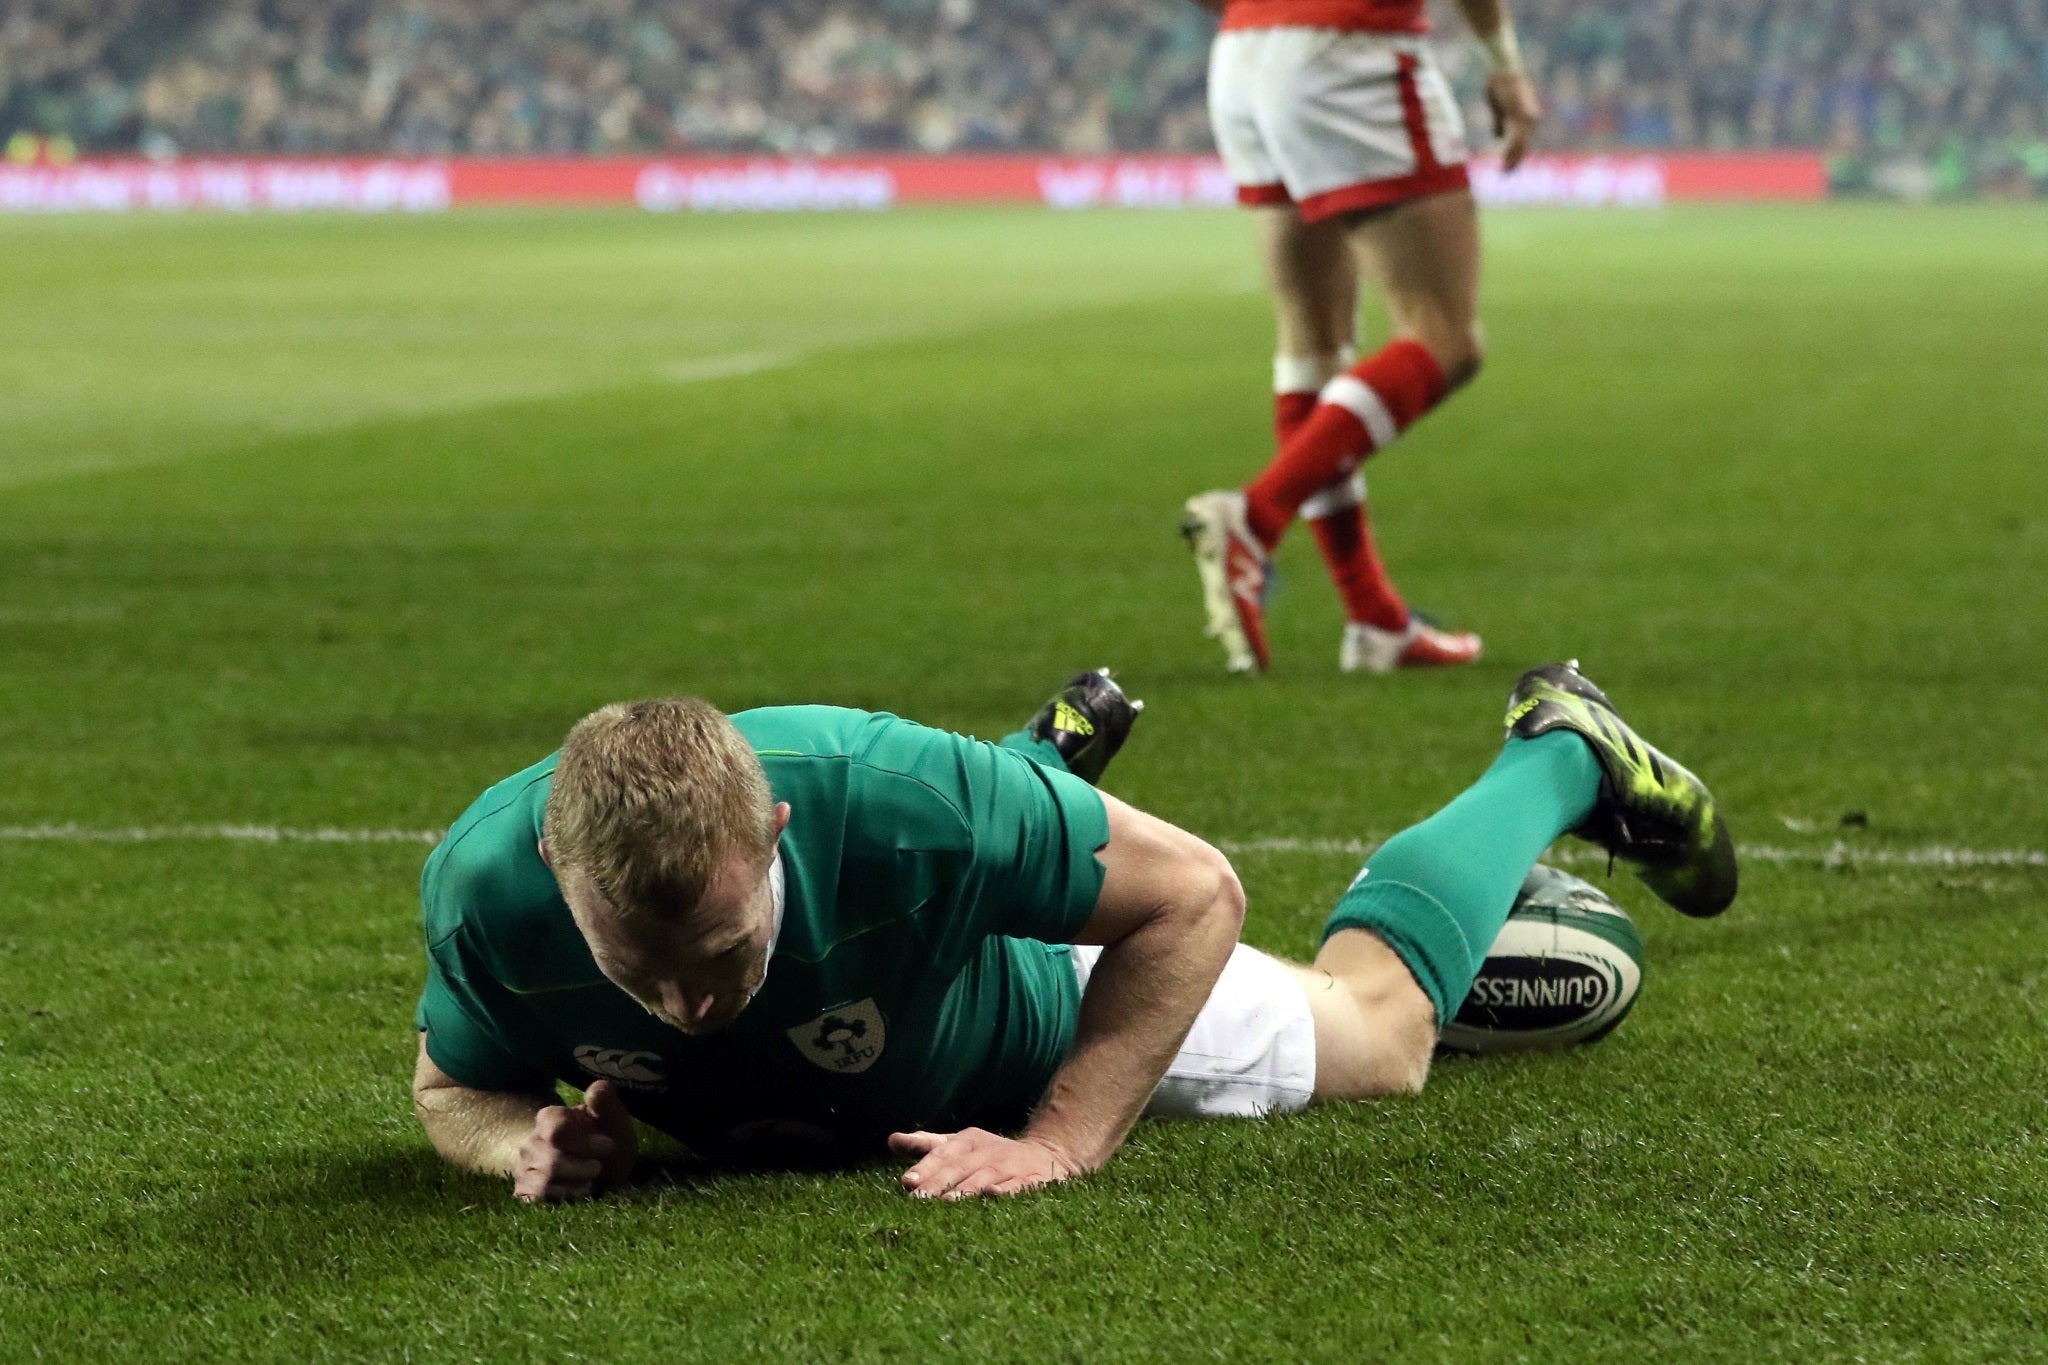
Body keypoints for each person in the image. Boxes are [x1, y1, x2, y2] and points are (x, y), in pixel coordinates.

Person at [411, 663, 1734, 1203]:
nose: (692, 1005)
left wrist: (1059, 1137)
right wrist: (517, 1137)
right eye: (637, 970)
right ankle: (1041, 783)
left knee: (1383, 1035)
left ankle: (1559, 749)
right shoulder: (486, 889)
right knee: (980, 833)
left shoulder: (887, 799)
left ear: (779, 836)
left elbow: (1200, 893)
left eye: (725, 952)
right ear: (554, 873)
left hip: (1036, 996)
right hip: (914, 951)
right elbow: (449, 1080)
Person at [1181, 0, 1543, 674]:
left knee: (1312, 346)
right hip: (1351, 48)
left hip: (1243, 54)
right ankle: (1253, 521)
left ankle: (1374, 619)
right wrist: (1506, 67)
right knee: (1446, 338)